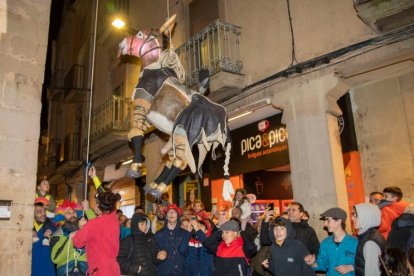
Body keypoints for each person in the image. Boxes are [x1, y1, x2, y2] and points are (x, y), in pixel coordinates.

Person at [72, 191, 121, 276]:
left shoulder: (93, 224)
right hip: (113, 269)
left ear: (98, 206)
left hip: (99, 270)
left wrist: (80, 229)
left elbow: (77, 242)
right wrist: (87, 210)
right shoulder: (114, 220)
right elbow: (100, 221)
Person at [305, 207, 357, 275]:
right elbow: (322, 265)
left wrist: (351, 267)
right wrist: (313, 263)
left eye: (328, 220)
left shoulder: (355, 242)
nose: (325, 224)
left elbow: (365, 265)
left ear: (338, 221)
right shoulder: (325, 243)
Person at [51, 200, 95, 275]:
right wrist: (71, 239)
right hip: (66, 271)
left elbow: (97, 230)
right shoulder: (58, 234)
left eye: (74, 212)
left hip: (86, 271)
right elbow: (56, 259)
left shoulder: (85, 229)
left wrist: (88, 210)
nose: (72, 214)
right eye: (68, 213)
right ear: (61, 216)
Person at [153, 204, 191, 275]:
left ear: (178, 216)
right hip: (163, 272)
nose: (171, 213)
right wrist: (157, 256)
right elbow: (153, 255)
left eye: (174, 212)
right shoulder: (158, 234)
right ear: (166, 216)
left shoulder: (185, 234)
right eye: (169, 212)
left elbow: (188, 254)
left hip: (181, 272)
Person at [351, 203, 385, 276]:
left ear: (367, 216)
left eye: (355, 214)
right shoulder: (366, 236)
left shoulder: (370, 243)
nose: (352, 218)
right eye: (352, 214)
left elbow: (372, 273)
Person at [32, 202, 56, 276]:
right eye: (39, 212)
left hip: (48, 272)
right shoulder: (26, 230)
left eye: (44, 210)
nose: (44, 214)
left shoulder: (52, 229)